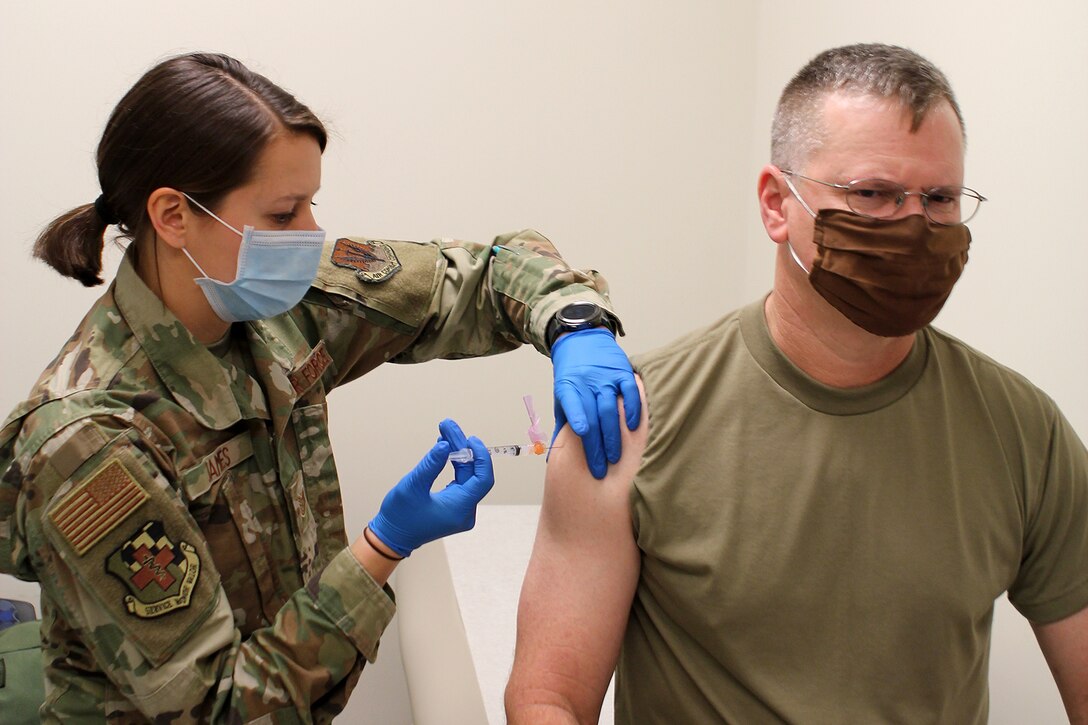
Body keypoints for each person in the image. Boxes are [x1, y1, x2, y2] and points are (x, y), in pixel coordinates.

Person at [0, 51, 642, 722]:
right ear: (173, 215)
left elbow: (477, 278)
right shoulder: (88, 444)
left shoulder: (270, 306)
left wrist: (575, 325)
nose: (312, 236)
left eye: (312, 203)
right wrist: (383, 544)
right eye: (283, 214)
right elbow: (222, 710)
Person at [505, 43, 1088, 724]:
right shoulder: (632, 423)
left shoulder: (1024, 433)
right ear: (778, 203)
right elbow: (548, 698)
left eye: (939, 198)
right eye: (873, 194)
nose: (913, 226)